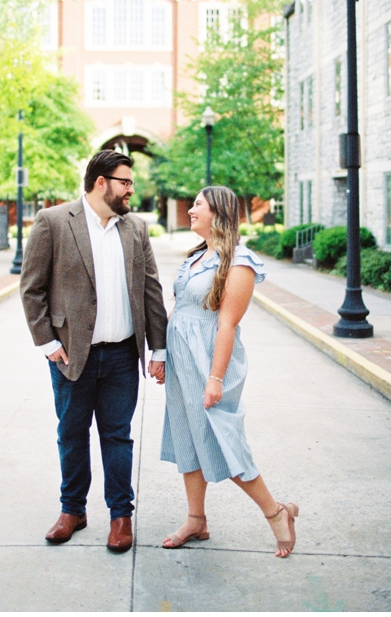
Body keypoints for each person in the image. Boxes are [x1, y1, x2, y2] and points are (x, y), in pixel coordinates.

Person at [20, 149, 168, 553]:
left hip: (122, 355)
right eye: (125, 181)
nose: (131, 190)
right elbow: (32, 288)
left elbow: (150, 290)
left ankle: (121, 516)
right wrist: (47, 343)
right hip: (71, 356)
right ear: (101, 183)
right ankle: (73, 510)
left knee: (118, 437)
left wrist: (160, 348)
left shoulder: (135, 228)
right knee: (71, 434)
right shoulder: (53, 222)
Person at [159, 186, 298, 557]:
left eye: (197, 206)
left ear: (217, 213)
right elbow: (181, 309)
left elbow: (226, 324)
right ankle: (195, 519)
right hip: (182, 360)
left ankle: (276, 513)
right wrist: (162, 355)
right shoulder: (196, 257)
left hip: (210, 361)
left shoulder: (239, 261)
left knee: (222, 438)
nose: (190, 211)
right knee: (187, 436)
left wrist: (215, 378)